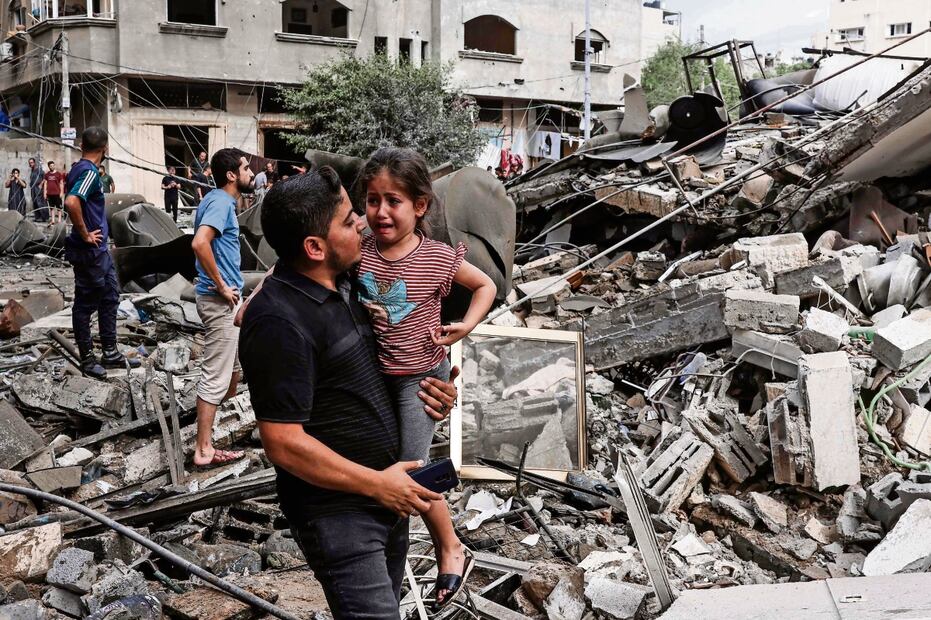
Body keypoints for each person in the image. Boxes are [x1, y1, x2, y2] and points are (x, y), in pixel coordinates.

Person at [238, 168, 459, 619]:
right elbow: (283, 442)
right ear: (314, 247)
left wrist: (435, 390)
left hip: (388, 495)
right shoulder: (278, 322)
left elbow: (391, 357)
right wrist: (377, 484)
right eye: (346, 219)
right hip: (339, 514)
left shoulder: (350, 281)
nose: (361, 221)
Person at [355, 147, 496, 608]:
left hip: (421, 377)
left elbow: (485, 286)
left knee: (410, 470)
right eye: (372, 200)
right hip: (377, 375)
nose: (381, 212)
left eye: (393, 201)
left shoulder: (437, 257)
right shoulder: (359, 250)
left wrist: (468, 324)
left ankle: (448, 547)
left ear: (419, 206)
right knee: (392, 465)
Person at [191, 148, 252, 467]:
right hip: (219, 301)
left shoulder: (222, 201)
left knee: (232, 375)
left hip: (227, 299)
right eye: (245, 168)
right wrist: (220, 284)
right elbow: (199, 243)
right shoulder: (219, 202)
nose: (251, 173)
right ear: (231, 175)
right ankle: (203, 449)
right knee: (216, 375)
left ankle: (210, 431)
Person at [63, 127, 139, 378]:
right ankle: (87, 359)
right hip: (89, 251)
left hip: (99, 250)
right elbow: (72, 202)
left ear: (82, 145)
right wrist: (85, 234)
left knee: (110, 296)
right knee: (85, 305)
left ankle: (110, 352)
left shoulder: (78, 168)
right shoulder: (89, 173)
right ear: (104, 149)